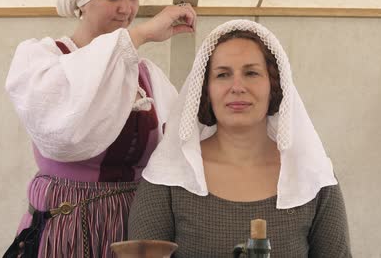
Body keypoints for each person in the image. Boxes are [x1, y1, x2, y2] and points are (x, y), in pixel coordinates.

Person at [2, 0, 196, 258]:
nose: (127, 8)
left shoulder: (147, 77)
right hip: (68, 227)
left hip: (133, 227)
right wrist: (142, 34)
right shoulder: (43, 59)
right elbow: (62, 134)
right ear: (81, 0)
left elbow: (179, 148)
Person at [128, 19, 352, 257]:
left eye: (251, 73)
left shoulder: (312, 175)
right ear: (205, 89)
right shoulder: (169, 175)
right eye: (223, 74)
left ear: (274, 85)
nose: (237, 86)